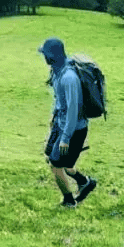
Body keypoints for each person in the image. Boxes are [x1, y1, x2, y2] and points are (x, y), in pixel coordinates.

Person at [39, 37, 97, 208]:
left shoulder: (69, 78)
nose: (44, 58)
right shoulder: (57, 71)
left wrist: (65, 138)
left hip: (72, 130)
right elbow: (60, 100)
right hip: (61, 124)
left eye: (46, 54)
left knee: (56, 166)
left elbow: (73, 110)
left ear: (52, 56)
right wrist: (53, 118)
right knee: (57, 161)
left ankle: (69, 201)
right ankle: (85, 182)